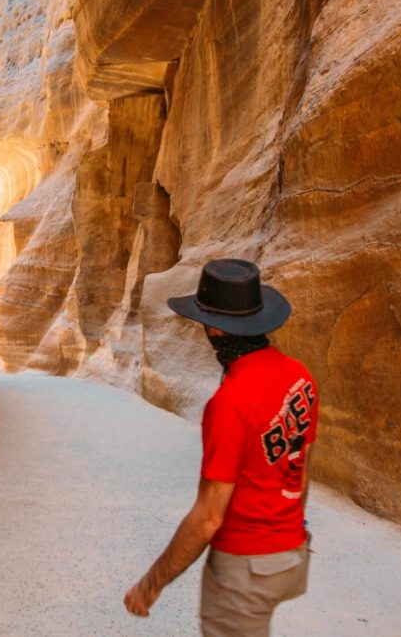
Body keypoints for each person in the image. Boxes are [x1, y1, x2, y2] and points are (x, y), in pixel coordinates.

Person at [124, 258, 318, 636]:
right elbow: (301, 466)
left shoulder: (230, 404)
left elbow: (208, 518)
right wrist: (291, 528)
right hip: (292, 555)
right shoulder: (300, 375)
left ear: (214, 328)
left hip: (246, 570)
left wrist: (150, 585)